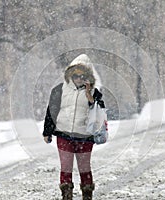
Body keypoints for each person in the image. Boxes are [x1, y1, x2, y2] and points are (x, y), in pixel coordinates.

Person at [42, 54, 105, 200]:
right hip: (64, 134)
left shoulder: (95, 93)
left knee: (84, 168)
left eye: (83, 75)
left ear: (88, 76)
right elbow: (51, 110)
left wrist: (90, 96)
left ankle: (87, 194)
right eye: (76, 75)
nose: (79, 78)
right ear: (70, 75)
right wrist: (47, 132)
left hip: (85, 137)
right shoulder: (59, 90)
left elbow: (99, 112)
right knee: (66, 167)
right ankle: (66, 195)